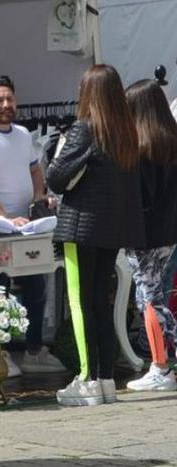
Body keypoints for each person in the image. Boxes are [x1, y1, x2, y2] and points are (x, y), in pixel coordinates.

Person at [48, 65, 145, 406]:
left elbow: (56, 178)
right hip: (113, 229)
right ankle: (105, 379)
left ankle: (88, 380)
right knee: (100, 303)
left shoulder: (84, 128)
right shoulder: (126, 132)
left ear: (88, 92)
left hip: (82, 227)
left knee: (80, 302)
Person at [0, 76, 68, 376]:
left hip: (27, 226)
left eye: (10, 98)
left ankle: (34, 349)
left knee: (37, 288)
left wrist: (39, 199)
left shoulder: (23, 134)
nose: (6, 105)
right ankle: (1, 355)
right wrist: (6, 219)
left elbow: (35, 171)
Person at [123, 80, 177, 391]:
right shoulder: (170, 142)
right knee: (156, 298)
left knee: (150, 300)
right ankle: (160, 364)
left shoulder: (141, 150)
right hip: (169, 232)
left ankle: (160, 366)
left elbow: (141, 200)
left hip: (145, 236)